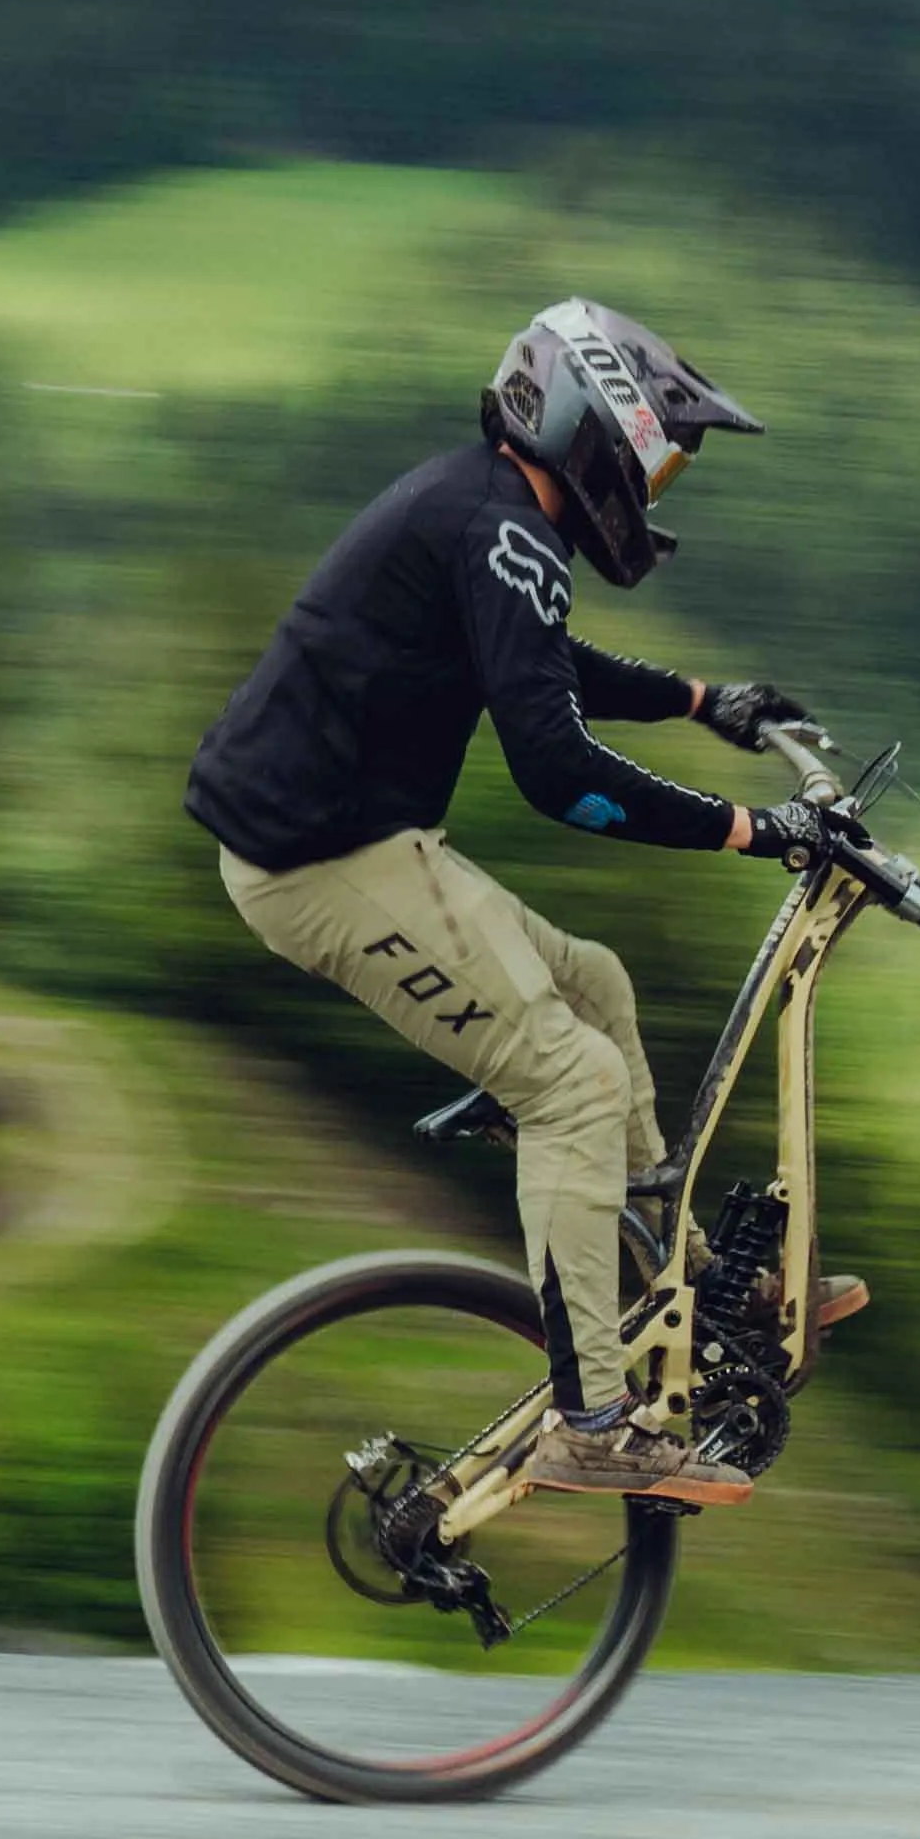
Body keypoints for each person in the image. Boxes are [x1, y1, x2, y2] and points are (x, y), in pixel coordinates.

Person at [187, 295, 850, 1504]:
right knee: (572, 1080)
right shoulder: (501, 528)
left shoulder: (490, 517)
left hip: (362, 841)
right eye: (661, 458)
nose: (661, 487)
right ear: (597, 427)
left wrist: (706, 700)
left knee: (596, 983)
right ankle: (591, 1419)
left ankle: (682, 1286)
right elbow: (556, 774)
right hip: (319, 865)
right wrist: (752, 831)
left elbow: (541, 659)